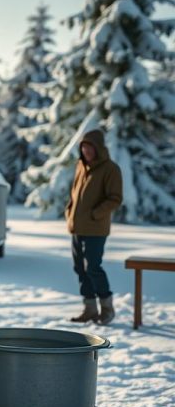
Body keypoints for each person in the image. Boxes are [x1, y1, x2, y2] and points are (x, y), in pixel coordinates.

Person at [66, 128, 123, 325]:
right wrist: (70, 211)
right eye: (84, 147)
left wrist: (95, 214)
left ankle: (107, 308)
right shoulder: (81, 166)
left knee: (93, 267)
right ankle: (90, 308)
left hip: (96, 229)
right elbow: (74, 194)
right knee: (80, 269)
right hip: (77, 227)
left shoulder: (110, 169)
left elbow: (115, 198)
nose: (86, 151)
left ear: (98, 148)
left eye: (90, 147)